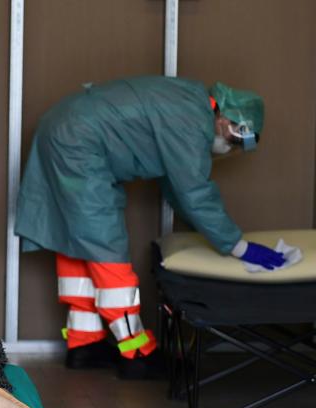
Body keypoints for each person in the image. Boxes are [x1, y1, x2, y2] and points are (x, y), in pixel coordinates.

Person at [14, 77, 284, 379]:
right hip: (79, 142)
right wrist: (238, 246)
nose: (230, 146)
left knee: (79, 239)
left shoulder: (187, 104)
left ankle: (84, 343)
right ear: (225, 117)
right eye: (235, 137)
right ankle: (137, 352)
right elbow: (195, 193)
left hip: (64, 127)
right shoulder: (192, 122)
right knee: (104, 244)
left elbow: (178, 189)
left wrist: (215, 231)